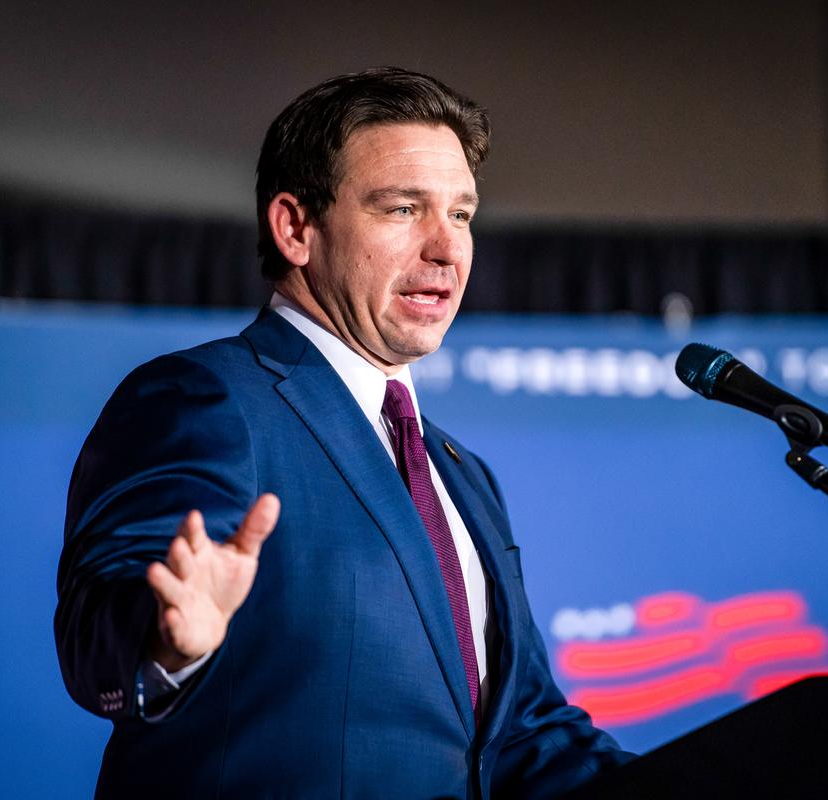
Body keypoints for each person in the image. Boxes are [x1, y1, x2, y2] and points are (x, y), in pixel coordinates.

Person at [56, 66, 632, 798]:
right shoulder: (207, 399)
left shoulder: (463, 474)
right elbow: (97, 634)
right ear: (296, 228)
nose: (447, 249)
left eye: (461, 215)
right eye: (402, 209)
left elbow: (520, 733)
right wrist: (167, 638)